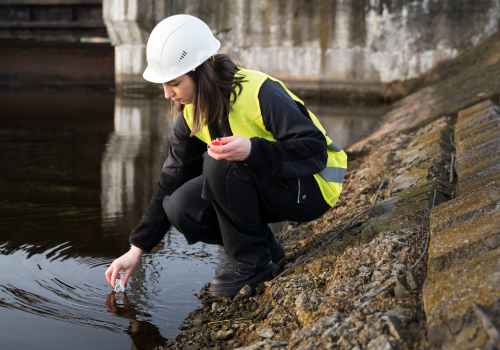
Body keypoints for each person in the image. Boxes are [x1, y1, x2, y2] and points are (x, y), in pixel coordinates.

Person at [105, 14, 347, 298]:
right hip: (274, 184)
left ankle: (250, 264)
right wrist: (137, 250)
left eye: (174, 83)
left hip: (312, 187)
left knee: (219, 163)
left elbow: (314, 149)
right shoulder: (191, 114)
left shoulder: (259, 92)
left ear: (200, 70)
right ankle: (265, 250)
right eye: (163, 85)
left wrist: (254, 150)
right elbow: (170, 182)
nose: (168, 94)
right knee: (179, 206)